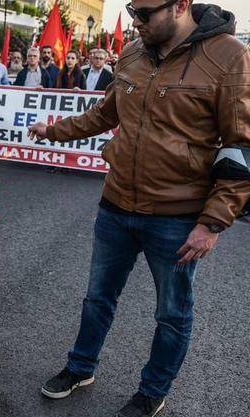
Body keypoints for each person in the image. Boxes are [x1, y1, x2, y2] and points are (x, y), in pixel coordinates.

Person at [29, 2, 250, 416]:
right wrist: (55, 131)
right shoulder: (132, 51)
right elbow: (105, 113)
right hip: (115, 206)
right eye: (132, 9)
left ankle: (152, 391)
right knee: (97, 298)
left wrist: (213, 222)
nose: (136, 20)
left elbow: (242, 146)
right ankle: (80, 367)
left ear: (181, 5)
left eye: (145, 13)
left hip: (178, 218)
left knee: (172, 313)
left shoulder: (230, 56)